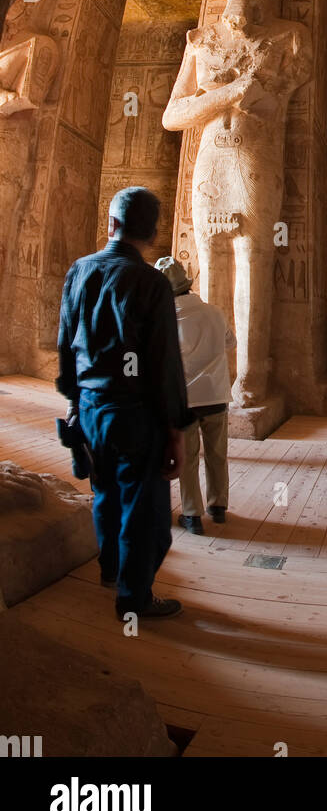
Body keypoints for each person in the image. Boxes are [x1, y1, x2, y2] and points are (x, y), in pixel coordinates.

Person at [56, 187, 191, 620]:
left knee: (105, 495)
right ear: (152, 234)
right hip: (135, 414)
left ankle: (110, 569)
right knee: (145, 512)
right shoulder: (152, 283)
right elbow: (164, 364)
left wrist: (75, 403)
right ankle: (133, 600)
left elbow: (66, 347)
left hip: (91, 408)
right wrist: (175, 432)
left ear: (111, 224)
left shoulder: (79, 271)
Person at [155, 256, 235, 535]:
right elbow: (230, 342)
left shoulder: (165, 320)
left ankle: (192, 514)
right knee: (217, 454)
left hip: (186, 398)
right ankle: (219, 506)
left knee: (187, 458)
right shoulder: (214, 312)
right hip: (216, 393)